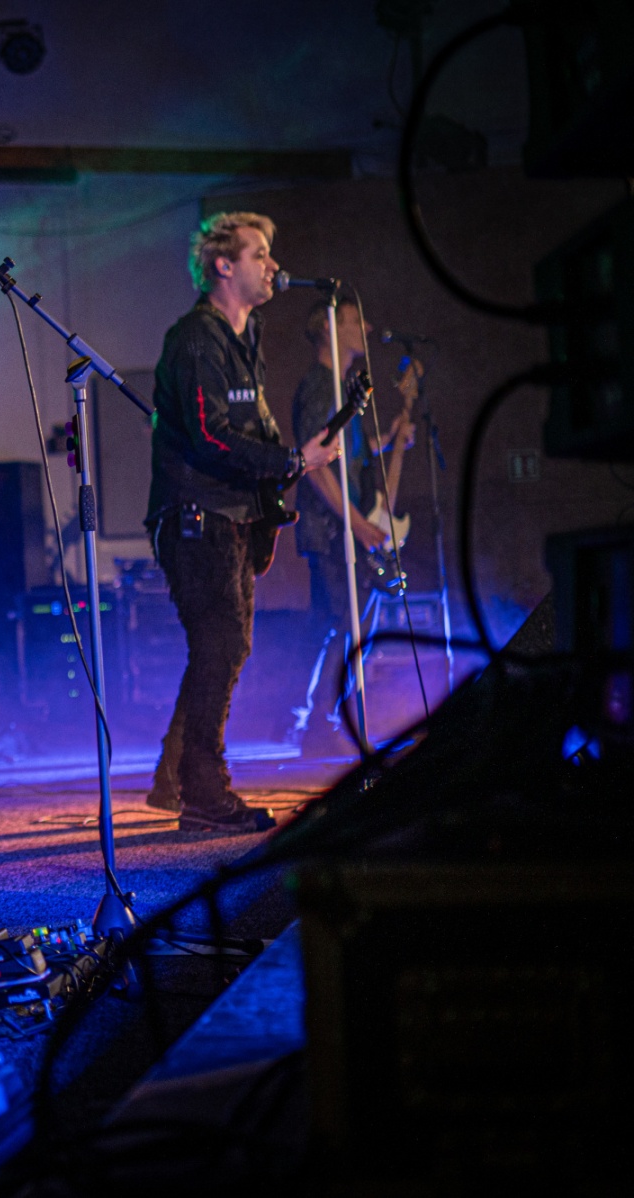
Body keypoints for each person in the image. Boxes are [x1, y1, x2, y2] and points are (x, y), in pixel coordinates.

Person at [144, 212, 341, 832]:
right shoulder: (195, 339)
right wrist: (292, 462)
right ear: (223, 266)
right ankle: (205, 792)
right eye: (260, 254)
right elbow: (210, 435)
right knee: (223, 644)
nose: (274, 266)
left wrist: (290, 462)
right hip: (196, 514)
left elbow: (251, 424)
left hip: (233, 515)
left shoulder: (247, 333)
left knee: (222, 646)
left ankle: (180, 779)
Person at [291, 299, 416, 756]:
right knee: (343, 625)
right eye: (354, 320)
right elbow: (315, 464)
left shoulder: (345, 388)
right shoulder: (320, 387)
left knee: (345, 624)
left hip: (345, 527)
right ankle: (319, 723)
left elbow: (349, 455)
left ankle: (321, 721)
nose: (366, 325)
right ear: (329, 329)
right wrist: (359, 524)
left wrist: (388, 440)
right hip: (332, 530)